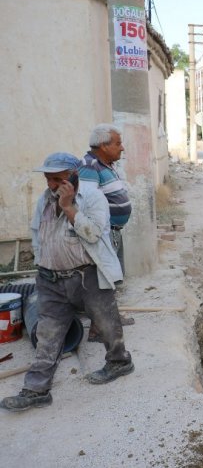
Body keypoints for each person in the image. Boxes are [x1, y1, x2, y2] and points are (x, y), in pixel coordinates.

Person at [1, 153, 134, 412]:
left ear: (74, 176)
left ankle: (119, 361)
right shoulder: (44, 199)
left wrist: (69, 206)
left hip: (88, 277)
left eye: (58, 179)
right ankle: (36, 390)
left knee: (107, 324)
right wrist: (42, 264)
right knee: (47, 334)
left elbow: (94, 234)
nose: (51, 184)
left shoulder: (93, 198)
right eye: (48, 179)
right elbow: (38, 233)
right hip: (51, 280)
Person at [78, 123, 133, 341]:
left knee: (112, 277)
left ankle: (111, 318)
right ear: (103, 145)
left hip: (112, 232)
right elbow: (87, 203)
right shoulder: (90, 167)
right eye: (118, 143)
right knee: (102, 280)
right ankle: (98, 328)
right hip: (102, 234)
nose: (122, 148)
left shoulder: (104, 164)